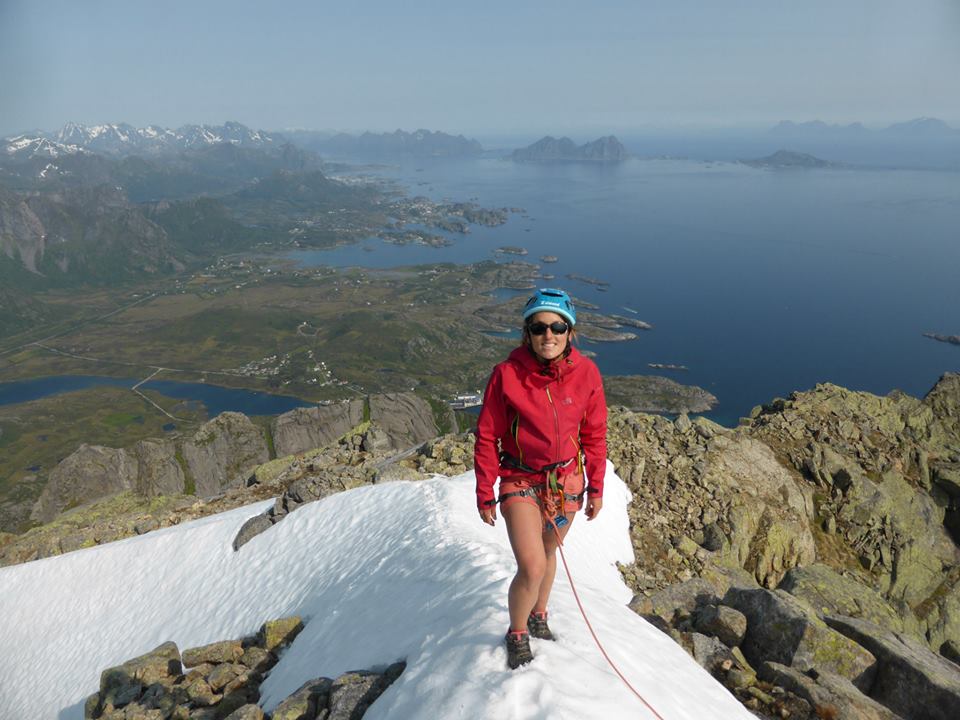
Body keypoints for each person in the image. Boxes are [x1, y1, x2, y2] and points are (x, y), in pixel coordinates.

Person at [474, 287, 607, 669]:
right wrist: (485, 492)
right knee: (531, 565)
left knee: (548, 553)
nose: (548, 336)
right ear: (526, 333)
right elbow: (487, 436)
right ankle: (517, 632)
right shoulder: (507, 375)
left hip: (566, 482)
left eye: (557, 327)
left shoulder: (587, 374)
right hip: (520, 479)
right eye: (538, 328)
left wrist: (596, 487)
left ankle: (539, 615)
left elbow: (594, 434)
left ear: (570, 332)